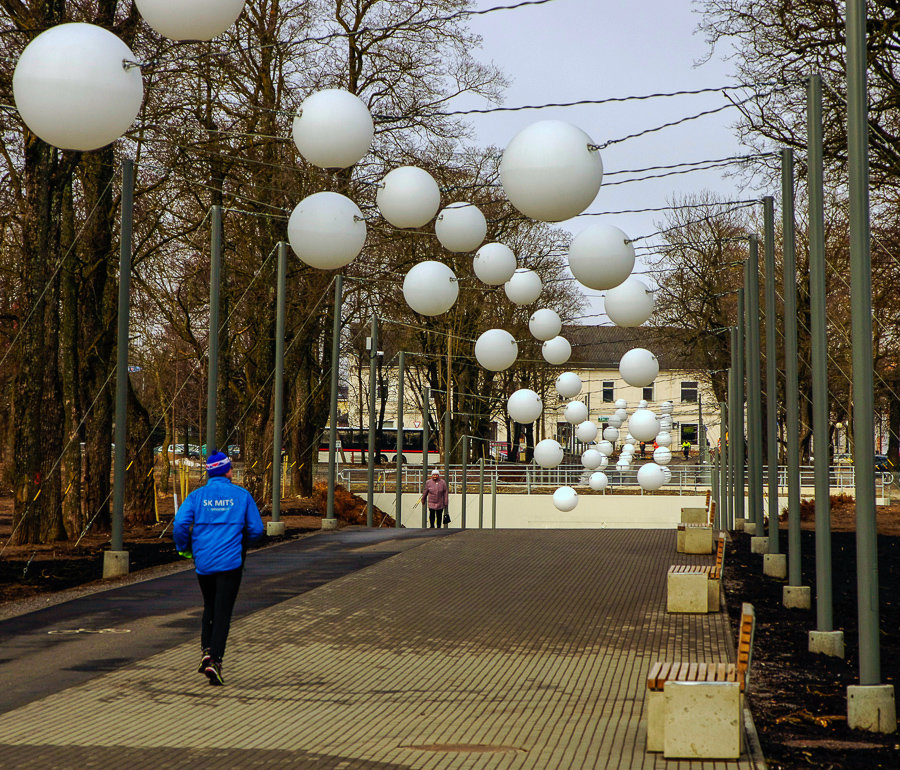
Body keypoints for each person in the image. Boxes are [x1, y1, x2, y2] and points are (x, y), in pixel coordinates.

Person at [174, 451, 264, 686]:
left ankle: (206, 650)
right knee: (223, 612)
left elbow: (180, 524)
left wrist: (185, 547)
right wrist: (242, 542)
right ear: (226, 470)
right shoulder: (242, 495)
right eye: (231, 468)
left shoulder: (196, 496)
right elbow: (256, 529)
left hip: (203, 563)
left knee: (210, 606)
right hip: (231, 564)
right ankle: (215, 660)